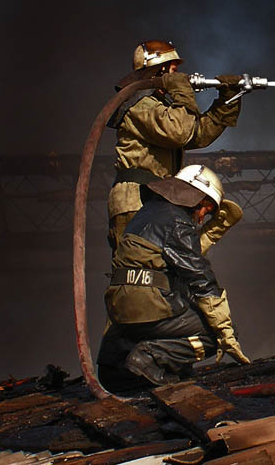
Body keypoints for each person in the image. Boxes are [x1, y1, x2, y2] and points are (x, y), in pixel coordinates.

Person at [97, 164, 249, 391]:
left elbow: (180, 254)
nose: (202, 216)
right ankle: (150, 357)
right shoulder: (177, 221)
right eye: (206, 208)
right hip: (148, 306)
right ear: (195, 196)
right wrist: (226, 333)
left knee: (175, 302)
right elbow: (200, 278)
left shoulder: (147, 214)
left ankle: (128, 366)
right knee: (212, 333)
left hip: (120, 309)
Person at [107, 40, 243, 250]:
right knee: (141, 267)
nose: (177, 74)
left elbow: (196, 134)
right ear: (158, 69)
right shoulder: (139, 105)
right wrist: (182, 92)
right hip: (136, 201)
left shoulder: (161, 108)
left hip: (155, 199)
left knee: (163, 270)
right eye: (173, 69)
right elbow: (180, 131)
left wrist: (228, 101)